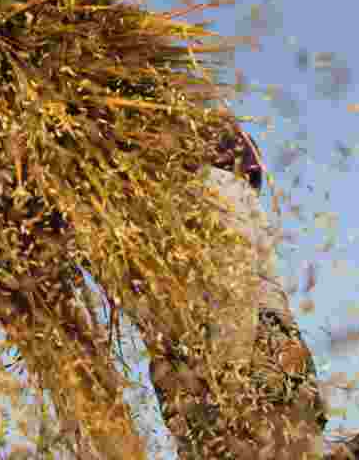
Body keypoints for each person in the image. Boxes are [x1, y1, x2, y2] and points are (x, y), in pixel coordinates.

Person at [140, 129, 329, 459]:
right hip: (243, 356)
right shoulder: (210, 196)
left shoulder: (215, 186)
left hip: (246, 356)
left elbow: (234, 284)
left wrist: (228, 382)